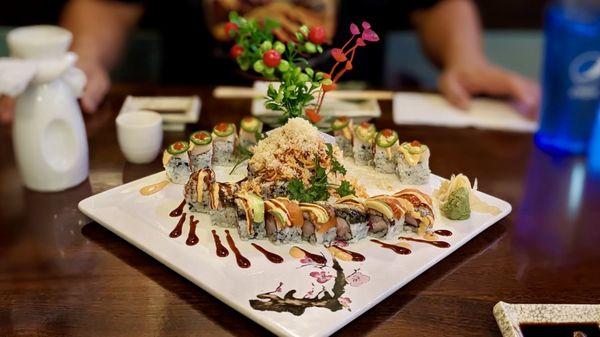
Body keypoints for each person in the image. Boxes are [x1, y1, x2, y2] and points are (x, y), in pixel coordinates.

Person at [0, 0, 539, 124]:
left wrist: (466, 58)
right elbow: (106, 4)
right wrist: (82, 61)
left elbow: (437, 4)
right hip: (196, 115)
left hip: (344, 117)